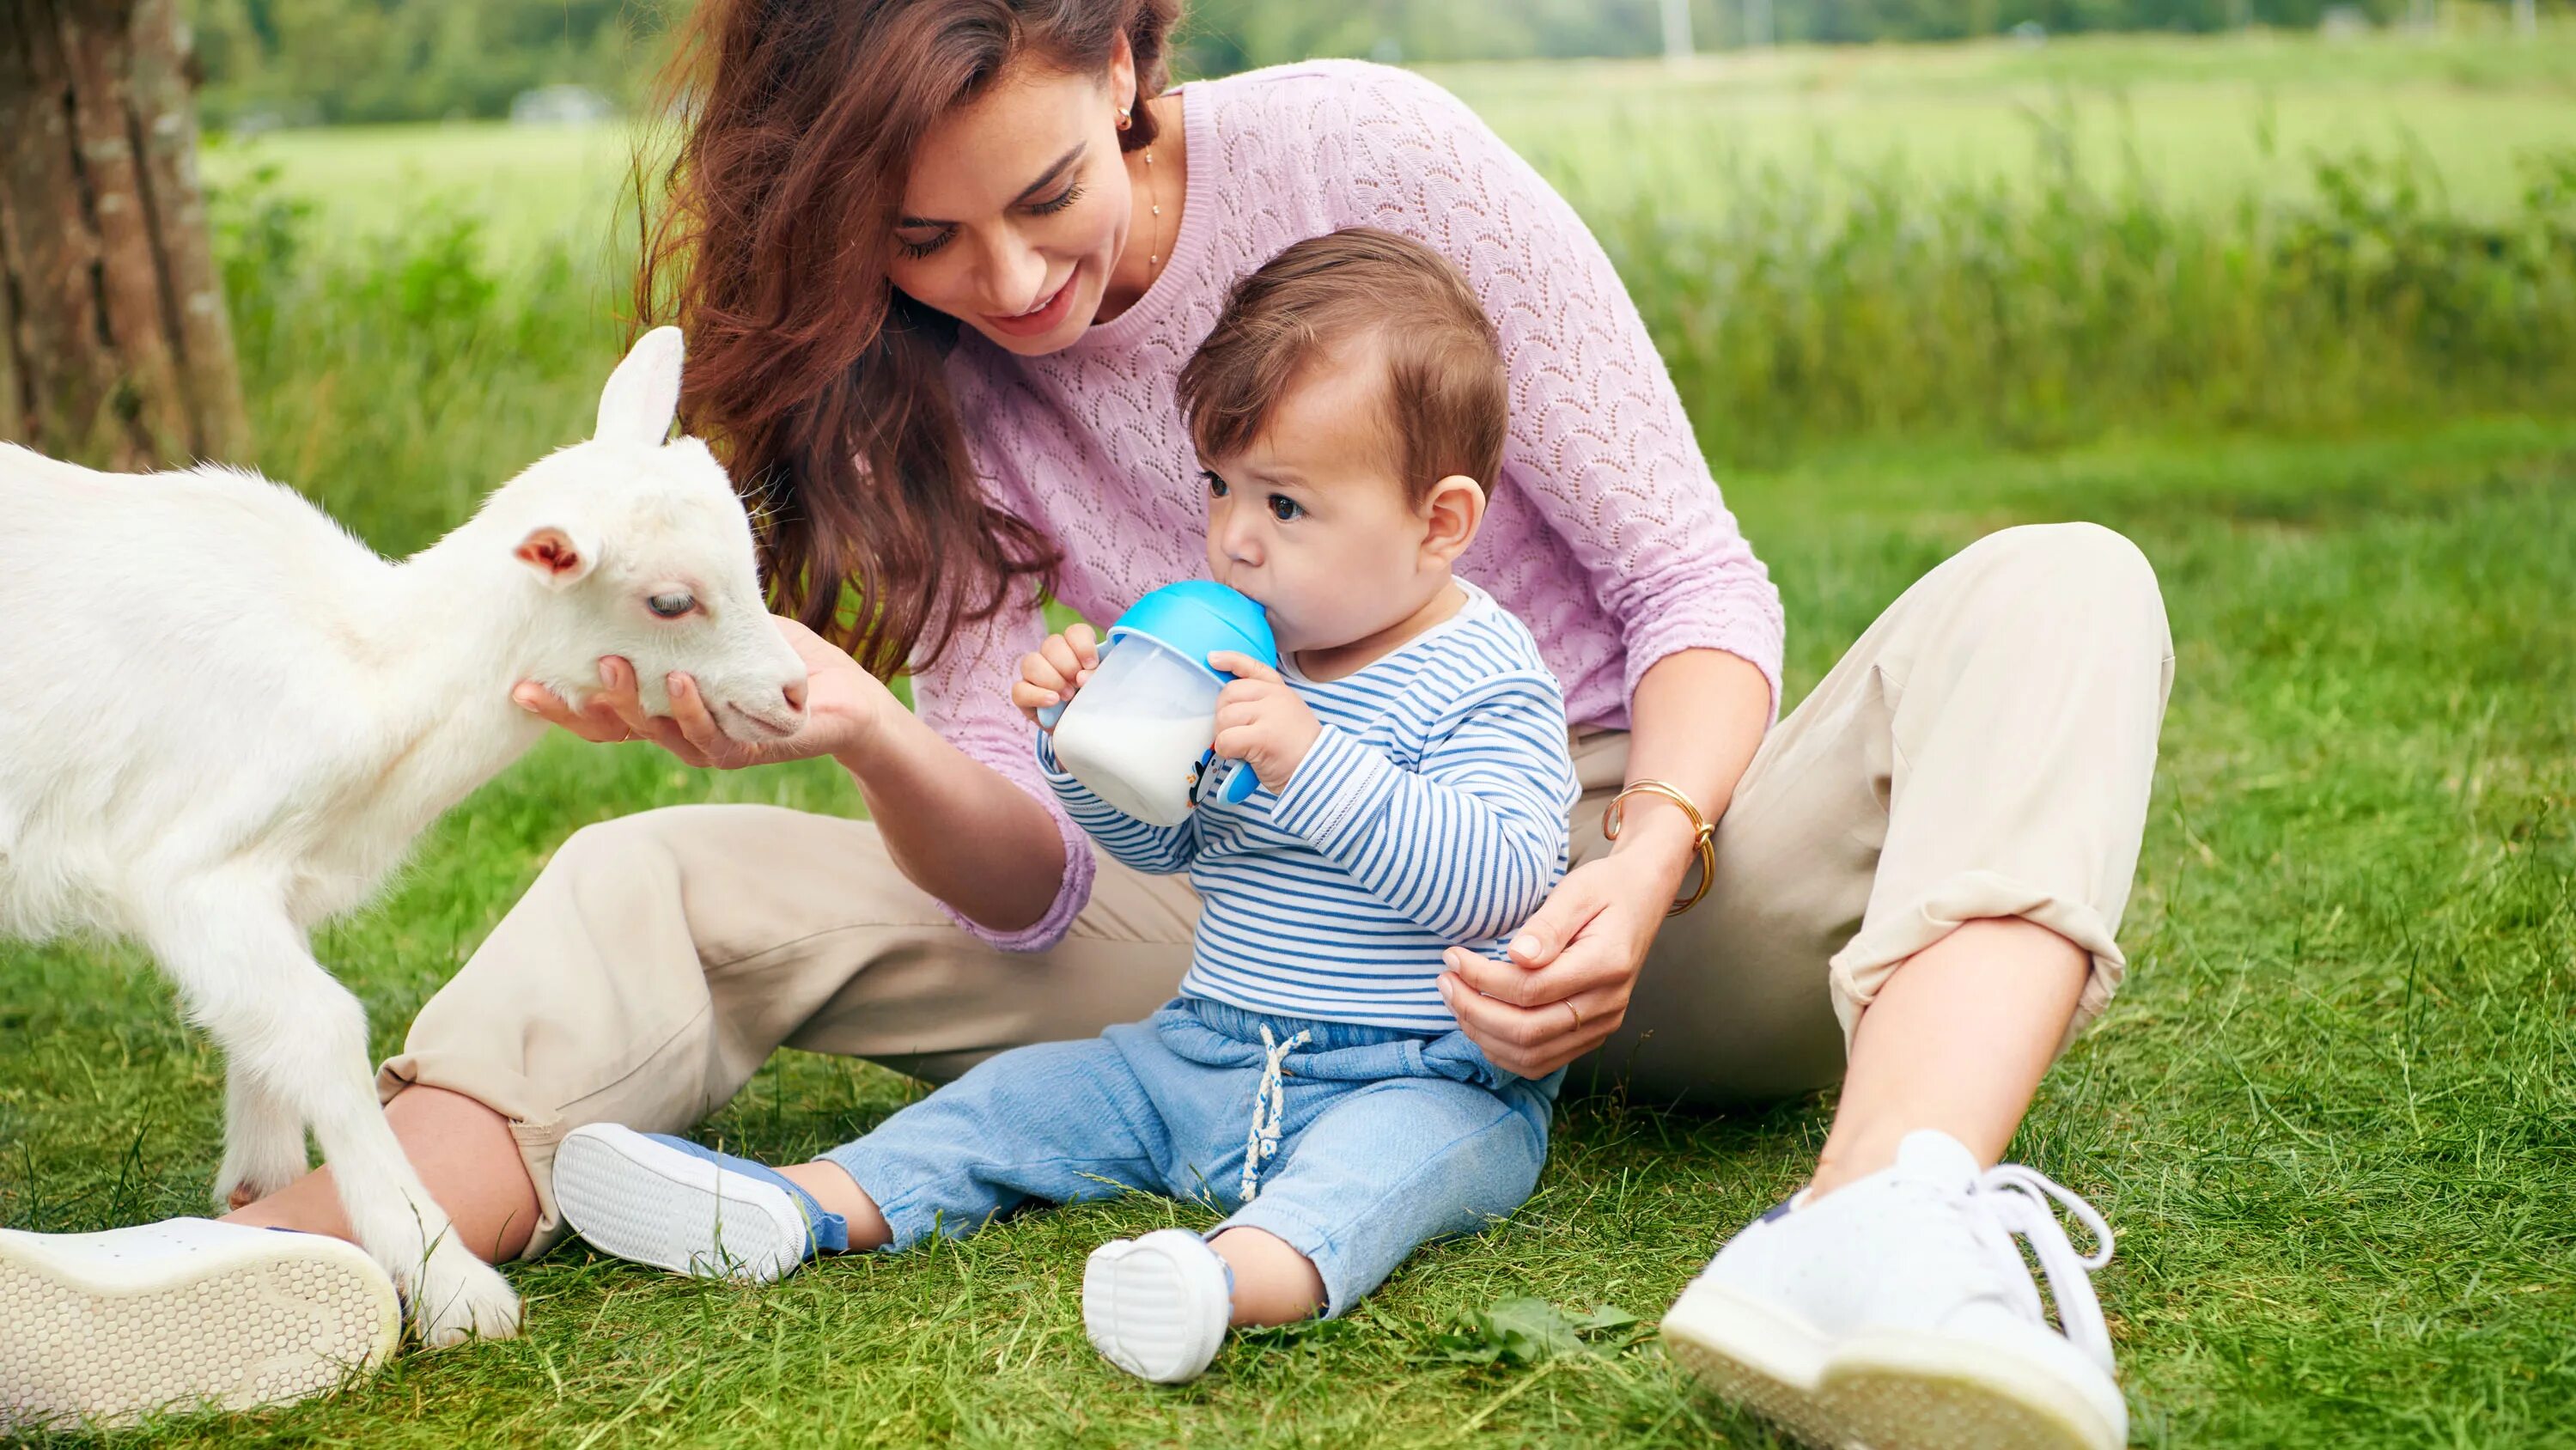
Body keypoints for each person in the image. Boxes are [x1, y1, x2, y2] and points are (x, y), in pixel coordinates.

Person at [13, 2, 2171, 1445]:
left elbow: (1698, 585)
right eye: (926, 242)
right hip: (1221, 921)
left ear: (1132, 47)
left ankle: (1890, 1211)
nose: (1014, 283)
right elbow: (1048, 874)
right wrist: (874, 733)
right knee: (642, 872)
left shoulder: (1362, 149)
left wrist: (1648, 854)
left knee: (2066, 582)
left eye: (1045, 198)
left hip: (1606, 874)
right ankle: (307, 1248)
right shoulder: (918, 384)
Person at [547, 228, 1578, 1386]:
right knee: (1023, 1099)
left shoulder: (1485, 675)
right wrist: (1085, 749)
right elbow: (1171, 839)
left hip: (1411, 1072)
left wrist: (1314, 761)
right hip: (1205, 1050)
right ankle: (799, 1209)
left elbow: (1498, 881)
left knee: (1376, 1178)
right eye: (1220, 487)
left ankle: (1221, 1280)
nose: (1234, 537)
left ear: (1439, 524)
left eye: (1286, 506)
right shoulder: (1250, 653)